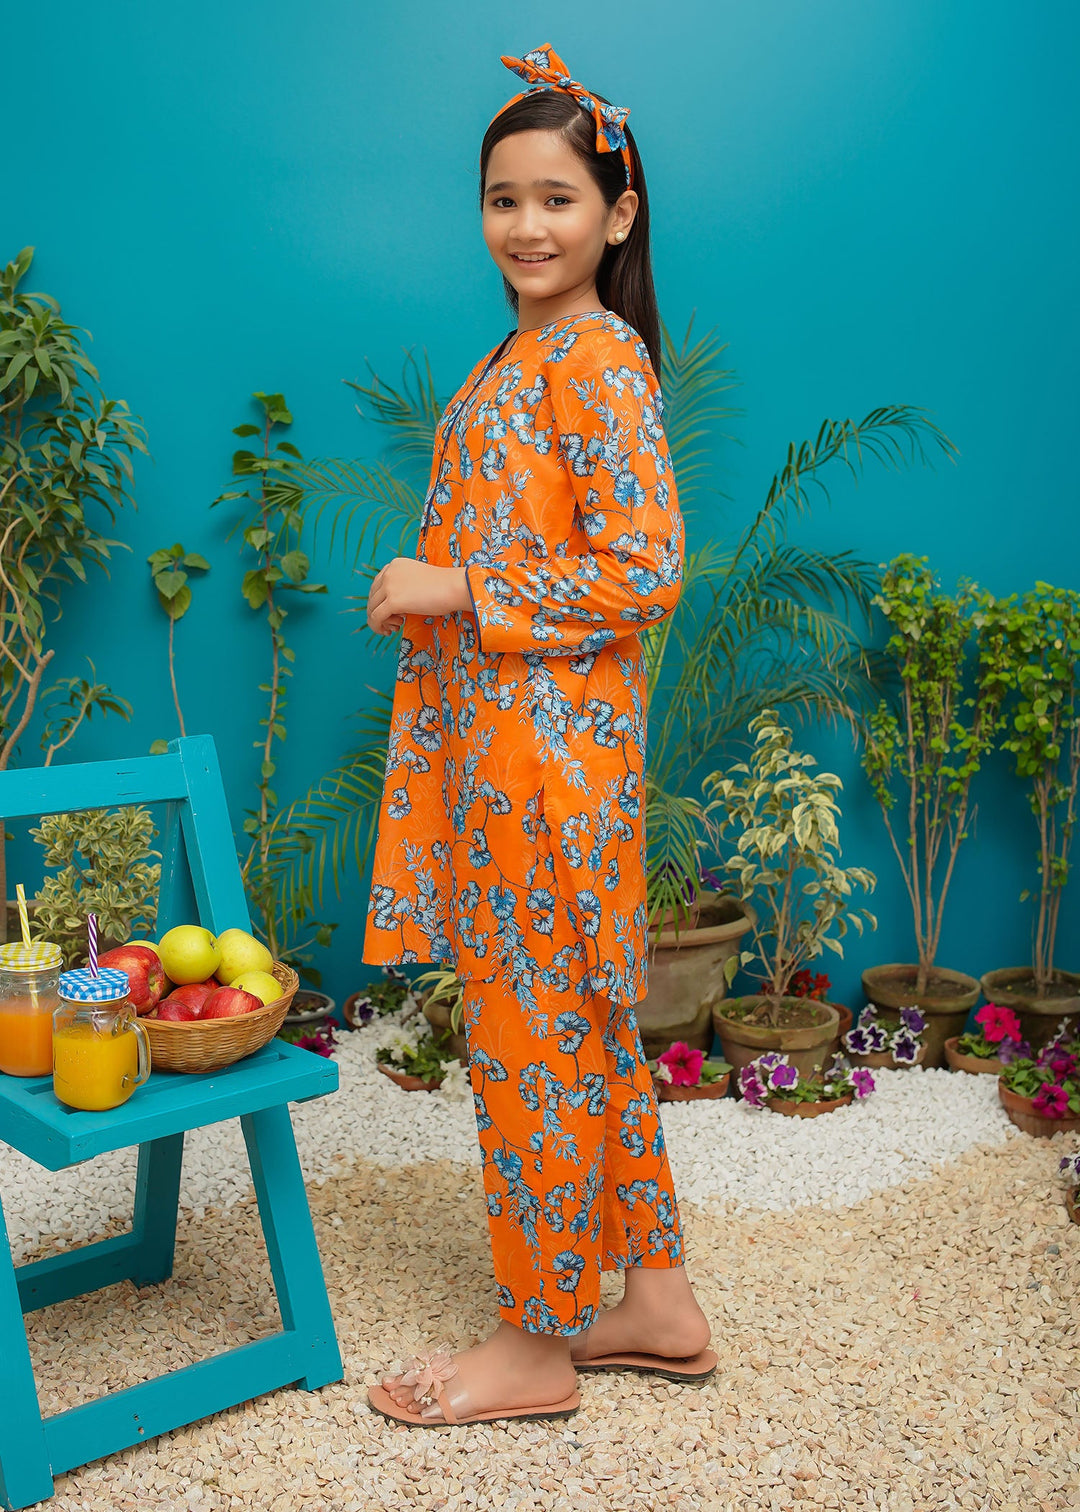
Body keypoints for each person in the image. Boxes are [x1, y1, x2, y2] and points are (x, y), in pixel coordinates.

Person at [364, 43, 715, 1429]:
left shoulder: (596, 358)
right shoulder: (525, 354)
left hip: (547, 770)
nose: (527, 225)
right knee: (579, 1027)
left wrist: (453, 587)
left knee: (529, 1037)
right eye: (503, 198)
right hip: (509, 755)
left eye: (558, 199)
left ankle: (533, 1339)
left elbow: (645, 567)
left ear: (617, 215)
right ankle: (655, 1302)